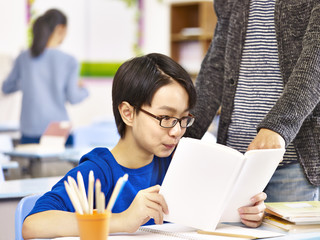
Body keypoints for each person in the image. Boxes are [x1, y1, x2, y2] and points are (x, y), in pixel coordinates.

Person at [22, 53, 266, 239]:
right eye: (165, 118)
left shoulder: (178, 164)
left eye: (183, 119)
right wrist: (122, 220)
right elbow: (32, 224)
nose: (177, 130)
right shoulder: (99, 171)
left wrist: (244, 213)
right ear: (128, 113)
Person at [185, 0, 320, 202]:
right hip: (233, 161)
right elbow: (215, 66)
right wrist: (185, 132)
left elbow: (315, 60)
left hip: (290, 164)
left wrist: (278, 127)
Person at [1, 9, 88, 146]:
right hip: (58, 131)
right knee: (63, 168)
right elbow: (73, 97)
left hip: (29, 131)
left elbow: (6, 87)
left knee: (30, 168)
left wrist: (27, 81)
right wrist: (84, 89)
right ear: (61, 29)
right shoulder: (69, 61)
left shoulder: (23, 57)